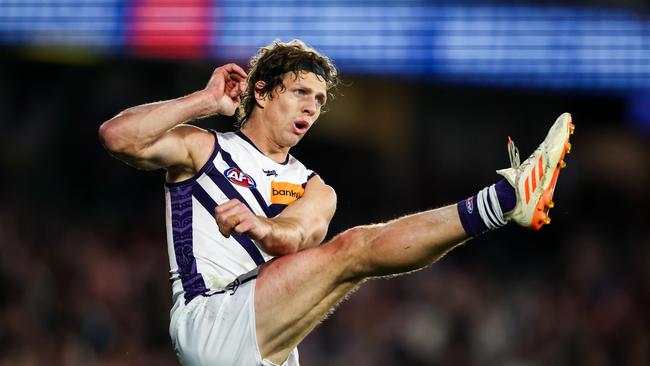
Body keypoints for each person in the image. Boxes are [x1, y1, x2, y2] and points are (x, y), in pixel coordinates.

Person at [98, 39, 574, 366]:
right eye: (300, 92)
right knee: (355, 250)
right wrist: (204, 101)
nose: (311, 107)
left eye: (320, 100)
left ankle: (506, 204)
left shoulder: (314, 186)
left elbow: (301, 234)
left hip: (270, 348)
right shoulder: (204, 148)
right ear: (260, 92)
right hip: (213, 321)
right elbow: (116, 137)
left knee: (352, 255)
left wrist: (264, 229)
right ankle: (505, 200)